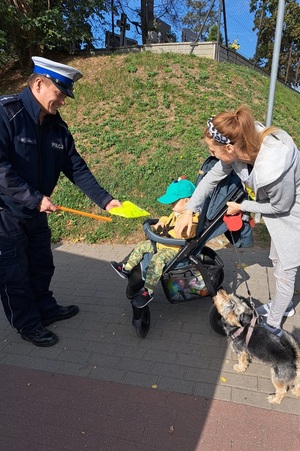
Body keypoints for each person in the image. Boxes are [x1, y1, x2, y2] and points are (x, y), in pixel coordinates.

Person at [0, 56, 122, 347]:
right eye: (60, 93)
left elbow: (76, 167)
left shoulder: (57, 127)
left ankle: (45, 309)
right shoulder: (7, 114)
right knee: (13, 273)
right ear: (39, 83)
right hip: (6, 213)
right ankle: (28, 324)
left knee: (42, 264)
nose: (63, 101)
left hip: (35, 211)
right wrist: (33, 198)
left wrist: (106, 200)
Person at [175, 105, 299, 337]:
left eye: (214, 151)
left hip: (294, 218)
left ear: (230, 148)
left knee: (285, 271)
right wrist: (189, 209)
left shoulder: (274, 166)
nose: (212, 155)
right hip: (281, 215)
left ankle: (273, 326)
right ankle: (284, 306)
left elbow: (280, 206)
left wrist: (242, 206)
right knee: (277, 260)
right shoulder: (240, 148)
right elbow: (211, 178)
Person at [110, 177, 199, 308]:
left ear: (187, 201)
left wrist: (186, 230)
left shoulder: (192, 218)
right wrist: (161, 221)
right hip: (162, 243)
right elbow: (167, 218)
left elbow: (190, 233)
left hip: (174, 249)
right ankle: (126, 268)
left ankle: (148, 291)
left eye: (173, 203)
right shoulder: (176, 213)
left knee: (157, 260)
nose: (171, 206)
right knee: (142, 246)